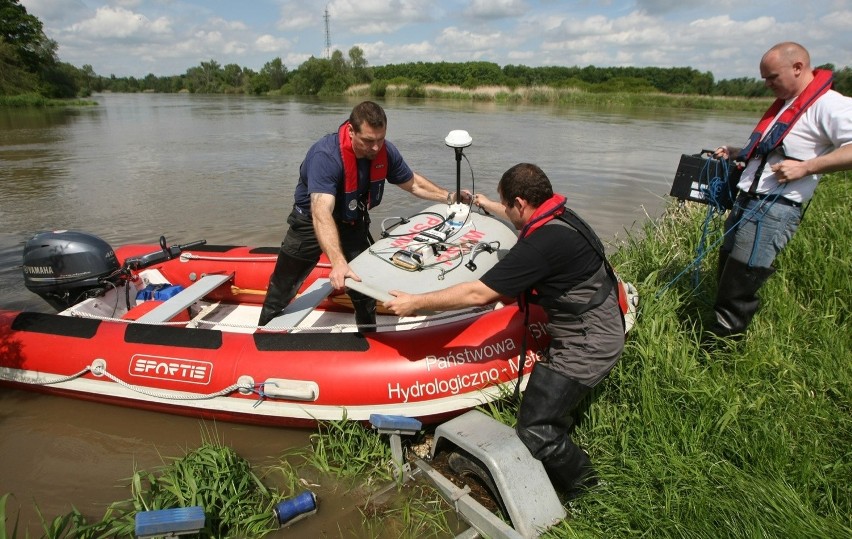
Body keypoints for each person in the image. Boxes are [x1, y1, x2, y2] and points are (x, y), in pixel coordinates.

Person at [384, 163, 625, 498]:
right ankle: (563, 429)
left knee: (536, 429)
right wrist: (487, 204)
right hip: (596, 321)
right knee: (545, 410)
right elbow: (516, 214)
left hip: (589, 343)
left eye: (507, 206)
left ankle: (590, 492)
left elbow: (478, 293)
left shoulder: (541, 243)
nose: (507, 211)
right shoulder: (561, 215)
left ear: (521, 203)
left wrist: (414, 303)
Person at [259, 101, 466, 329]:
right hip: (309, 223)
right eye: (368, 141)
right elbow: (320, 211)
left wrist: (449, 196)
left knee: (364, 287)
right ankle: (262, 334)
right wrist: (338, 263)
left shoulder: (384, 151)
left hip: (352, 222)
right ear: (350, 130)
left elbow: (413, 184)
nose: (376, 147)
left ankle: (369, 336)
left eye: (380, 139)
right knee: (283, 286)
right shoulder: (326, 155)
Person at [710, 42, 852, 338]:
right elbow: (771, 149)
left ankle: (721, 355)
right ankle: (715, 340)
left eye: (772, 77)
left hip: (774, 208)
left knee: (740, 282)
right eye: (764, 78)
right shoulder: (786, 105)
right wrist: (738, 152)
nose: (766, 85)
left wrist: (806, 167)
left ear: (798, 67)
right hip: (747, 202)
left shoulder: (830, 104)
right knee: (726, 273)